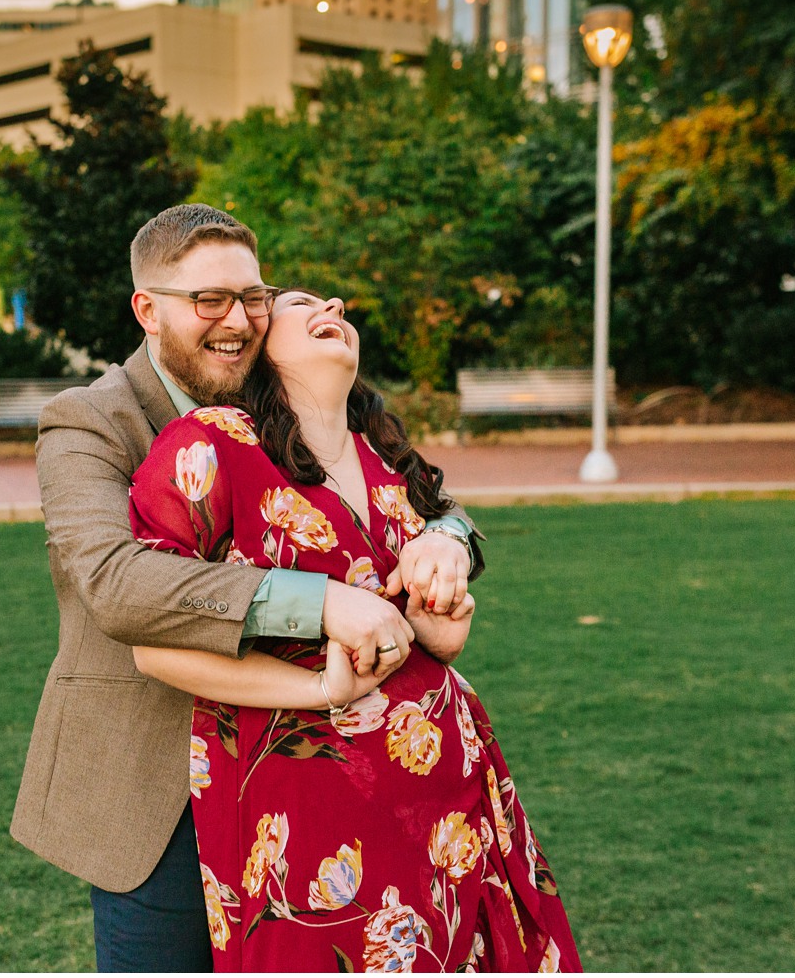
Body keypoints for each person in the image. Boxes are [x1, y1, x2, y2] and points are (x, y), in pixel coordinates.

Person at [9, 205, 485, 972]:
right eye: (209, 301)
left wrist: (446, 539)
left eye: (252, 296)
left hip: (305, 780)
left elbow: (402, 487)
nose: (238, 319)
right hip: (154, 783)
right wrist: (324, 601)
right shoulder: (90, 421)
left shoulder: (282, 391)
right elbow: (114, 582)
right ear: (147, 310)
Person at [124, 288, 580, 971]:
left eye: (334, 301)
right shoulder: (210, 444)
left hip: (449, 799)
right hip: (307, 806)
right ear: (254, 344)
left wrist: (444, 606)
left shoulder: (388, 458)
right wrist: (320, 689)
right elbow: (152, 636)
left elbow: (436, 599)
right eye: (300, 301)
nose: (333, 303)